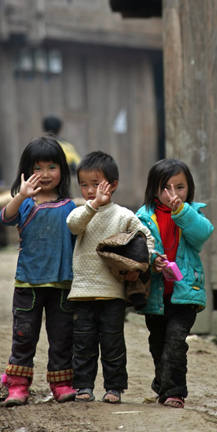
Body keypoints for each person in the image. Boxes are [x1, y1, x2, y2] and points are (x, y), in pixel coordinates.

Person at [66, 150, 155, 404]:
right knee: (83, 343)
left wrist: (137, 266)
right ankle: (83, 386)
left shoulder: (124, 215)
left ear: (113, 185)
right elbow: (73, 226)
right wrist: (92, 205)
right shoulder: (80, 211)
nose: (90, 190)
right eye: (84, 185)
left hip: (113, 292)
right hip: (82, 291)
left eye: (96, 184)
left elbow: (146, 238)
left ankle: (114, 388)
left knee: (112, 343)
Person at [0, 135, 78, 407]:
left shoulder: (69, 206)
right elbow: (5, 218)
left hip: (61, 286)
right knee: (24, 336)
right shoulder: (25, 202)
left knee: (62, 337)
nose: (44, 175)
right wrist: (21, 195)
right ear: (26, 171)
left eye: (52, 167)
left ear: (62, 171)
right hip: (28, 284)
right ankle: (18, 386)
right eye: (37, 168)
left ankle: (62, 384)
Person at [135, 158, 214, 409]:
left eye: (180, 187)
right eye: (166, 188)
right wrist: (151, 260)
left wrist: (182, 212)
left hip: (185, 293)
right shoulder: (143, 217)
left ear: (189, 188)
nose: (173, 194)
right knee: (157, 342)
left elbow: (202, 235)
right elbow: (136, 249)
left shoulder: (192, 213)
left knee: (176, 342)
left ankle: (175, 391)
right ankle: (163, 382)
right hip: (155, 294)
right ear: (154, 190)